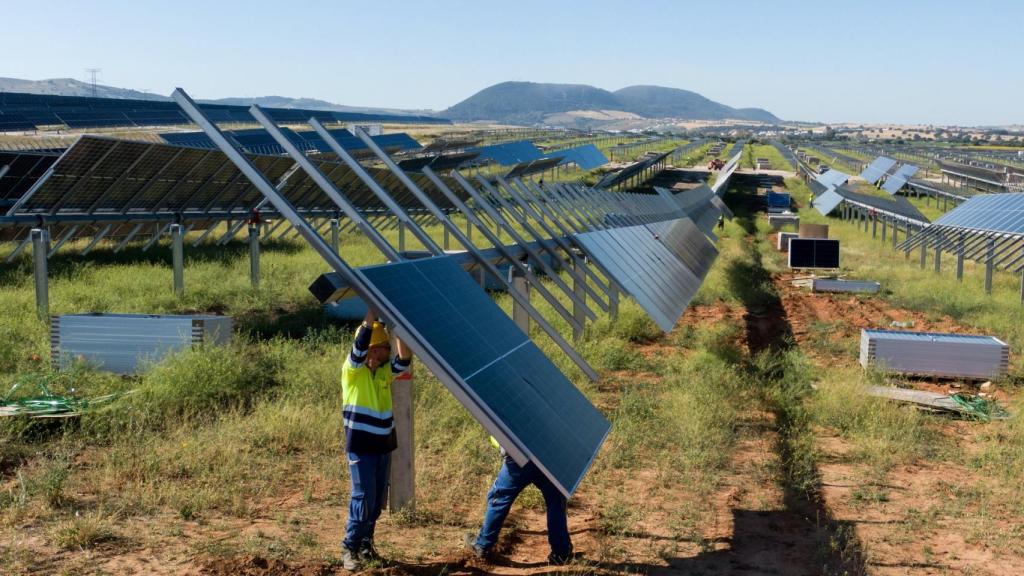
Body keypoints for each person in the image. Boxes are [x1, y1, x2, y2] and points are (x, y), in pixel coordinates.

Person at [341, 308, 411, 570]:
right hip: (361, 447)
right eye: (382, 347)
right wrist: (371, 312)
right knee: (363, 498)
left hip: (383, 446)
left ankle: (366, 545)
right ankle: (349, 548)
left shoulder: (383, 372)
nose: (387, 352)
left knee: (377, 499)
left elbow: (404, 360)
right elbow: (359, 346)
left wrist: (398, 328)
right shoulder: (353, 371)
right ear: (371, 350)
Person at [465, 439, 573, 565]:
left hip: (518, 457)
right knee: (555, 502)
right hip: (548, 457)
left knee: (499, 498)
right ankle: (561, 552)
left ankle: (483, 545)